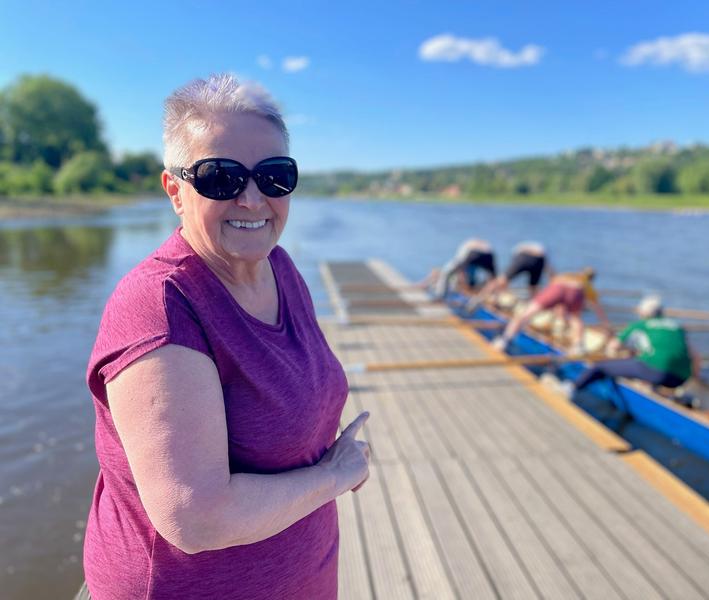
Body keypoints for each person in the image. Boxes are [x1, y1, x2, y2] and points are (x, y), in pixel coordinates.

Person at [80, 74, 370, 600]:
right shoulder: (161, 307)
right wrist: (335, 476)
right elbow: (196, 518)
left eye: (275, 176)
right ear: (175, 190)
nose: (253, 199)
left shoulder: (277, 266)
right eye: (221, 177)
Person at [559, 295, 700, 399]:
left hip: (656, 373)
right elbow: (696, 357)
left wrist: (617, 355)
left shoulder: (641, 325)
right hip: (681, 379)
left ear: (644, 313)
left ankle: (570, 388)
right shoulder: (677, 327)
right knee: (647, 362)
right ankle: (658, 388)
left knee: (600, 366)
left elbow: (613, 347)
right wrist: (692, 380)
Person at [492, 266, 609, 352]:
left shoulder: (568, 275)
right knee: (575, 319)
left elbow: (552, 284)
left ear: (580, 272)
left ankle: (504, 340)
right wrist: (606, 326)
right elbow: (597, 308)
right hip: (575, 292)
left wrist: (553, 305)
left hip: (557, 288)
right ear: (592, 279)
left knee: (526, 314)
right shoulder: (587, 286)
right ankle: (578, 347)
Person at [465, 241, 551, 312]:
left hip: (525, 257)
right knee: (533, 289)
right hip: (540, 259)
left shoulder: (519, 251)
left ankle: (478, 299)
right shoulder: (535, 249)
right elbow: (547, 266)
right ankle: (531, 310)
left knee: (501, 281)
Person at [431, 238, 496, 299]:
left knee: (447, 273)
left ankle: (440, 296)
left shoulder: (467, 249)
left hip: (474, 252)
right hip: (486, 254)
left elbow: (460, 268)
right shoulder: (482, 250)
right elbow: (492, 277)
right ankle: (486, 294)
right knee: (490, 278)